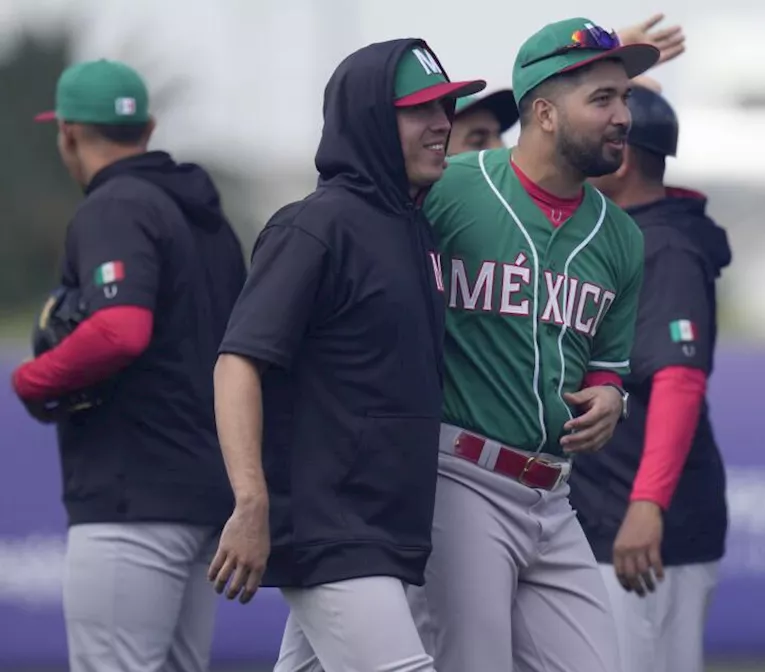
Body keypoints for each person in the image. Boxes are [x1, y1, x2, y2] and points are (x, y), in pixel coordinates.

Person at [207, 39, 483, 672]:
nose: (443, 123)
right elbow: (237, 364)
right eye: (421, 110)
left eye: (446, 106)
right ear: (367, 119)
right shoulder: (314, 226)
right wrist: (251, 502)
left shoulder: (416, 227)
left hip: (383, 527)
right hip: (330, 524)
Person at [407, 17, 659, 672]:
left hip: (552, 496)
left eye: (624, 97)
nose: (622, 115)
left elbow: (607, 366)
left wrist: (611, 397)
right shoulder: (453, 188)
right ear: (544, 112)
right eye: (601, 99)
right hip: (458, 475)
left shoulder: (620, 237)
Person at [10, 58, 246, 672]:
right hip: (203, 496)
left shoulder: (115, 206)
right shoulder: (209, 223)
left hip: (132, 497)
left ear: (66, 132)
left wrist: (32, 379)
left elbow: (119, 330)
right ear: (149, 126)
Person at [576, 83, 733, 672]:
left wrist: (647, 505)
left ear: (622, 155)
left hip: (643, 524)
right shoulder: (618, 234)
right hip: (607, 514)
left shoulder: (663, 243)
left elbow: (679, 381)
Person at [444, 13, 685, 157]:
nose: (498, 148)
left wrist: (605, 67)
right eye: (477, 141)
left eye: (498, 135)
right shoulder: (430, 215)